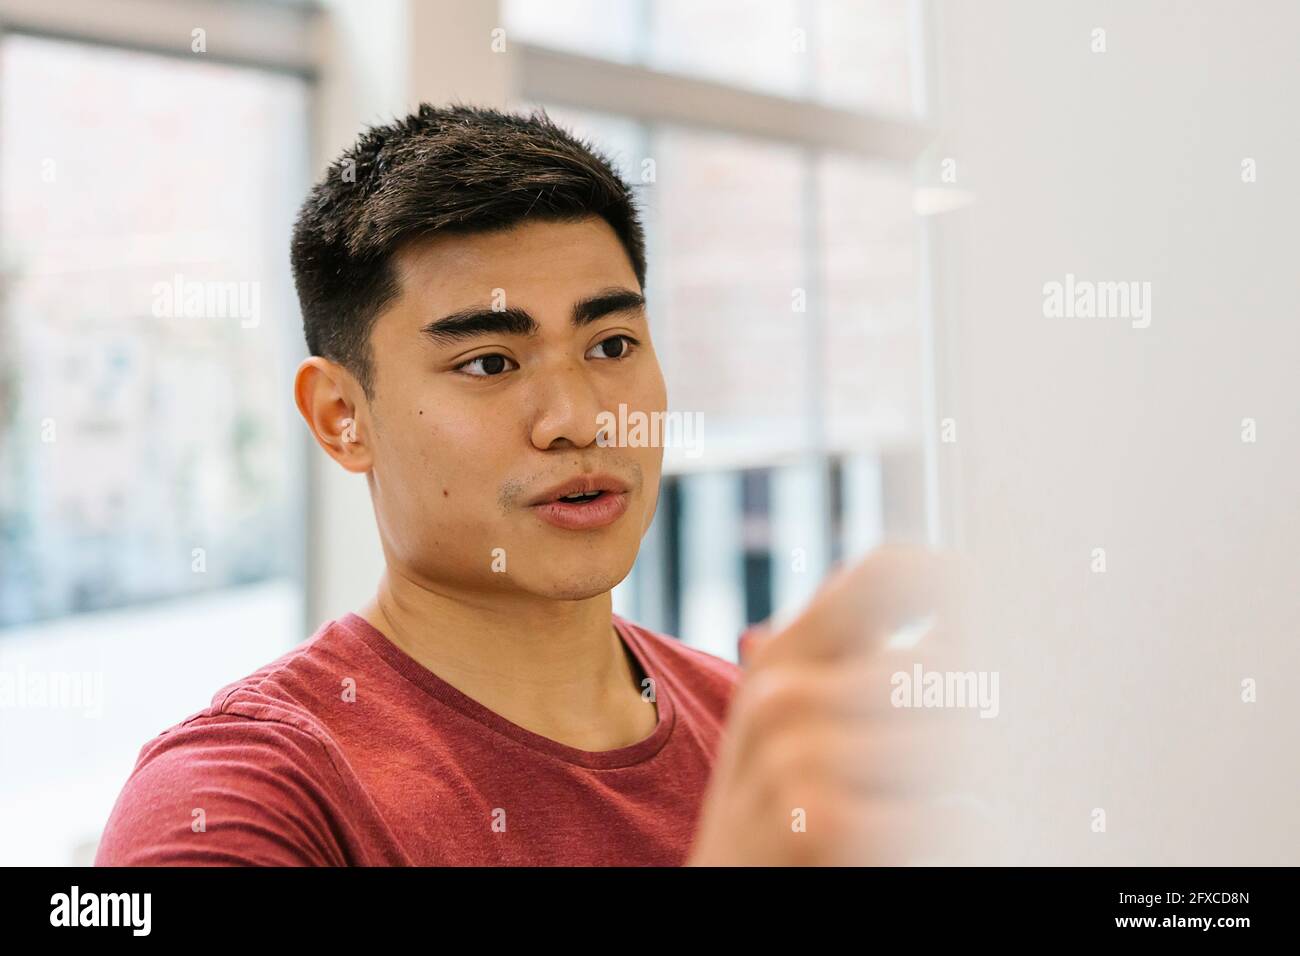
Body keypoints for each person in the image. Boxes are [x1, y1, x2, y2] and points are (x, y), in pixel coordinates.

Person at [94, 104, 960, 867]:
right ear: (340, 416)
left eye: (612, 346)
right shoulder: (248, 797)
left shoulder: (765, 739)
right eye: (489, 362)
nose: (579, 419)